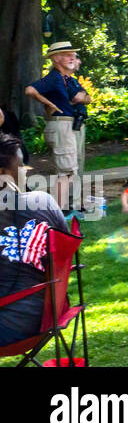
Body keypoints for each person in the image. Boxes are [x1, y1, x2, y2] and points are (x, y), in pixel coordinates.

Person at [0, 133, 70, 348]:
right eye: (21, 168)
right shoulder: (44, 201)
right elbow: (66, 253)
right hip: (49, 316)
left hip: (8, 324)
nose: (26, 175)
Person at [25, 43, 89, 215]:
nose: (72, 58)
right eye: (67, 55)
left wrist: (80, 98)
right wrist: (48, 104)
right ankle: (60, 210)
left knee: (73, 168)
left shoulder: (66, 79)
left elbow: (85, 97)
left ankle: (73, 206)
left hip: (70, 125)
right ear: (55, 59)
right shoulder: (53, 78)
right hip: (61, 125)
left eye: (73, 55)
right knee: (66, 170)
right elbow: (30, 90)